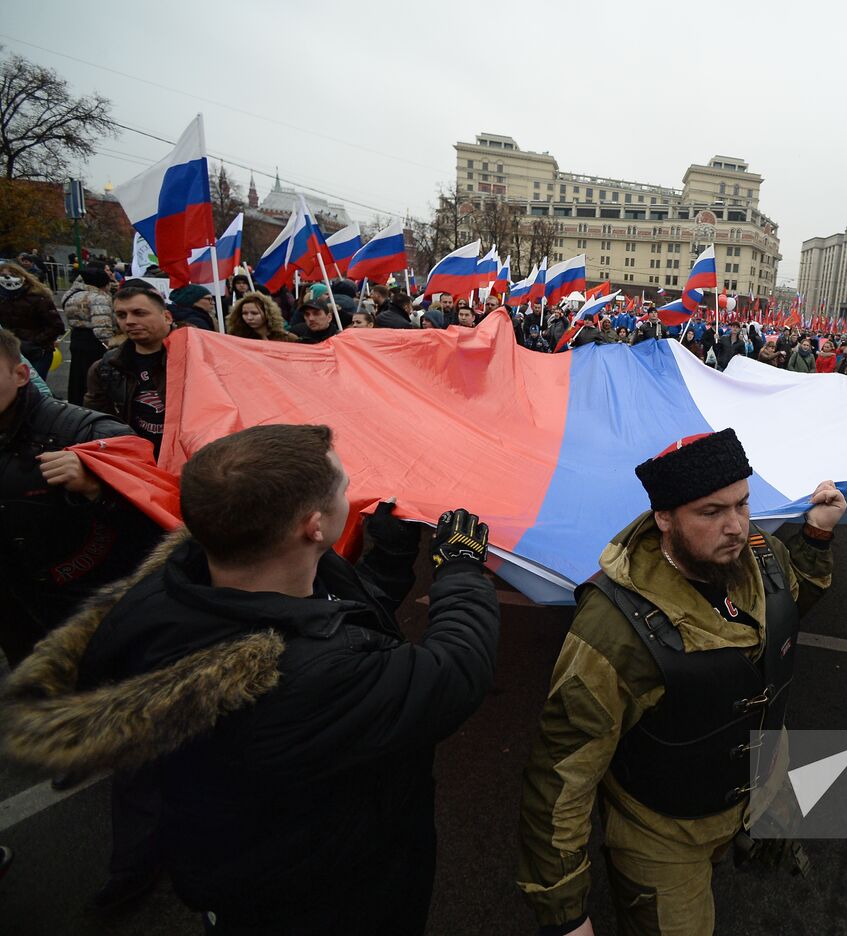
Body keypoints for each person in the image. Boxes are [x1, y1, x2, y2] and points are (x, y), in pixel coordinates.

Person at [0, 424, 502, 935]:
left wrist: (391, 560)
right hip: (327, 897)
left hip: (249, 866)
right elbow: (456, 671)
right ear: (312, 526)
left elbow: (329, 613)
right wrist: (460, 571)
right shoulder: (310, 675)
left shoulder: (188, 583)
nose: (353, 497)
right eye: (344, 488)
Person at [517, 429, 844, 936]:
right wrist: (565, 913)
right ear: (664, 518)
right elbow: (562, 776)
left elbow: (785, 606)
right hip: (661, 836)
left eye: (742, 503)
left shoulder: (758, 554)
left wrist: (817, 535)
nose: (736, 527)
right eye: (711, 512)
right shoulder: (613, 629)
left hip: (752, 797)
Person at [0, 328, 163, 666]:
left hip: (92, 612)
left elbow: (160, 530)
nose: (130, 322)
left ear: (20, 374)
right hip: (18, 618)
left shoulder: (92, 434)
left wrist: (97, 488)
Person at [85, 284, 178, 458]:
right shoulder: (105, 368)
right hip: (138, 461)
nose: (129, 321)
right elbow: (99, 423)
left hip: (189, 460)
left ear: (167, 317)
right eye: (121, 315)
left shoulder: (196, 357)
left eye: (139, 313)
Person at [62, 264, 117, 403]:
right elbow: (102, 327)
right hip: (93, 342)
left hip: (77, 338)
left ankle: (76, 401)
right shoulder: (99, 298)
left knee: (77, 376)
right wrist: (112, 346)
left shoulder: (72, 295)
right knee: (93, 376)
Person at [0, 260, 63, 380]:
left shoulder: (38, 298)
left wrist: (35, 343)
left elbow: (56, 326)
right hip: (11, 353)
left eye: (11, 275)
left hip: (37, 352)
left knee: (35, 388)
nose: (7, 279)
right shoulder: (3, 300)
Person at [227, 292, 298, 341]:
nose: (249, 318)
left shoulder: (287, 338)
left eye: (254, 313)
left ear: (268, 313)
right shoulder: (237, 339)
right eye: (244, 313)